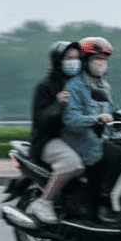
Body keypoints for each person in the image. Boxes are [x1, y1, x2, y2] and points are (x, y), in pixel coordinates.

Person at [27, 41, 85, 224]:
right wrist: (58, 104)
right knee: (72, 163)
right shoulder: (46, 87)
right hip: (47, 140)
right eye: (69, 58)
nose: (73, 62)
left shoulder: (79, 85)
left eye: (76, 58)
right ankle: (43, 202)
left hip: (73, 139)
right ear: (58, 60)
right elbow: (40, 120)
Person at [62, 36, 117, 219]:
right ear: (85, 62)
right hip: (80, 140)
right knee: (103, 157)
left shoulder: (104, 86)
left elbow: (113, 110)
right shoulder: (75, 86)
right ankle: (95, 210)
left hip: (99, 137)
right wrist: (95, 118)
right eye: (96, 59)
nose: (100, 64)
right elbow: (71, 118)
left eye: (103, 60)